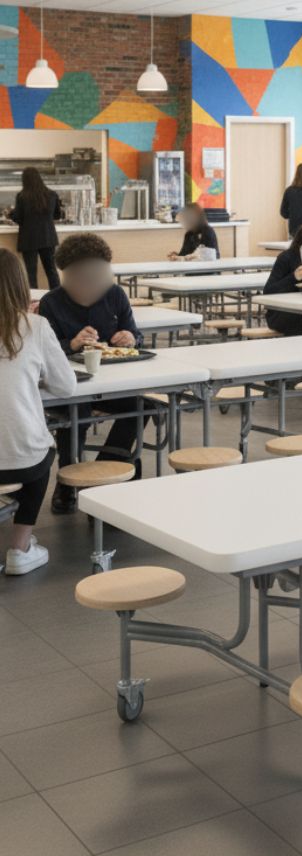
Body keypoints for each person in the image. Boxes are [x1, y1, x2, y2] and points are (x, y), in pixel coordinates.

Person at [39, 234, 145, 514]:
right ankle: (67, 480)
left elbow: (136, 334)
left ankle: (106, 468)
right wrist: (71, 344)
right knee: (76, 411)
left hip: (112, 383)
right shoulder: (52, 303)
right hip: (70, 385)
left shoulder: (115, 295)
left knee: (140, 406)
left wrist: (130, 338)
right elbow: (43, 352)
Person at [0, 249, 75, 574]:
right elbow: (66, 386)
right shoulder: (35, 326)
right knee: (42, 450)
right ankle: (19, 548)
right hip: (22, 462)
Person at [9, 167, 61, 290]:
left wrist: (11, 214)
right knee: (51, 270)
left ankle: (32, 299)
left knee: (30, 273)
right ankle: (58, 297)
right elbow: (57, 215)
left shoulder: (22, 196)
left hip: (29, 239)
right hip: (48, 237)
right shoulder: (52, 194)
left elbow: (18, 218)